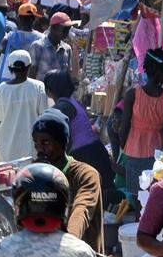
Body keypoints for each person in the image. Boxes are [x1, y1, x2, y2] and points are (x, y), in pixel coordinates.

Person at [29, 108, 104, 253]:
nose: (39, 149)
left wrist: (66, 246)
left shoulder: (85, 175)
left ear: (63, 143)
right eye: (36, 143)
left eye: (45, 142)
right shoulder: (36, 175)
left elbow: (81, 210)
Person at [46, 69, 117, 207]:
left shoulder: (61, 107)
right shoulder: (71, 102)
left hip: (84, 156)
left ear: (49, 91)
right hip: (95, 151)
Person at [119, 49, 163, 205]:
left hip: (134, 149)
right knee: (153, 195)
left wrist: (122, 147)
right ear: (157, 71)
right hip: (157, 151)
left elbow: (124, 127)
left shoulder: (132, 94)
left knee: (137, 198)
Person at [0, 50, 47, 163]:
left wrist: (0, 142)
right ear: (29, 67)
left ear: (10, 68)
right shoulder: (38, 87)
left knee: (9, 173)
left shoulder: (2, 88)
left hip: (7, 147)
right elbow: (44, 118)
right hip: (32, 147)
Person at [0, 3, 42, 89]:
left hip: (8, 81)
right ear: (34, 19)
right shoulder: (40, 38)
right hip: (29, 83)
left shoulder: (10, 37)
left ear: (19, 18)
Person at [28, 11, 77, 80]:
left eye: (68, 29)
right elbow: (31, 75)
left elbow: (68, 74)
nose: (67, 32)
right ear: (53, 28)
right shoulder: (38, 46)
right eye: (64, 29)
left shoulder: (67, 49)